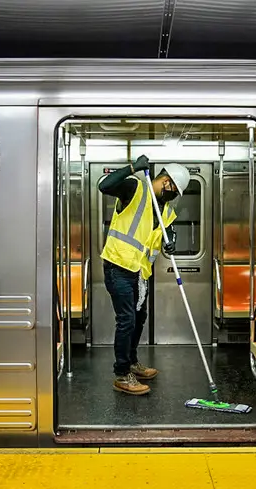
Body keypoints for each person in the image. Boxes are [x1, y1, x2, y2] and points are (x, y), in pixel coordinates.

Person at [99, 155, 190, 395]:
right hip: (118, 265)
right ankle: (122, 374)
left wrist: (171, 244)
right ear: (167, 182)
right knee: (127, 319)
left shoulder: (166, 210)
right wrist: (132, 168)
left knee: (139, 318)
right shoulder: (135, 188)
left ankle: (131, 362)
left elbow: (166, 235)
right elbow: (104, 186)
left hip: (141, 271)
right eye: (174, 191)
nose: (173, 196)